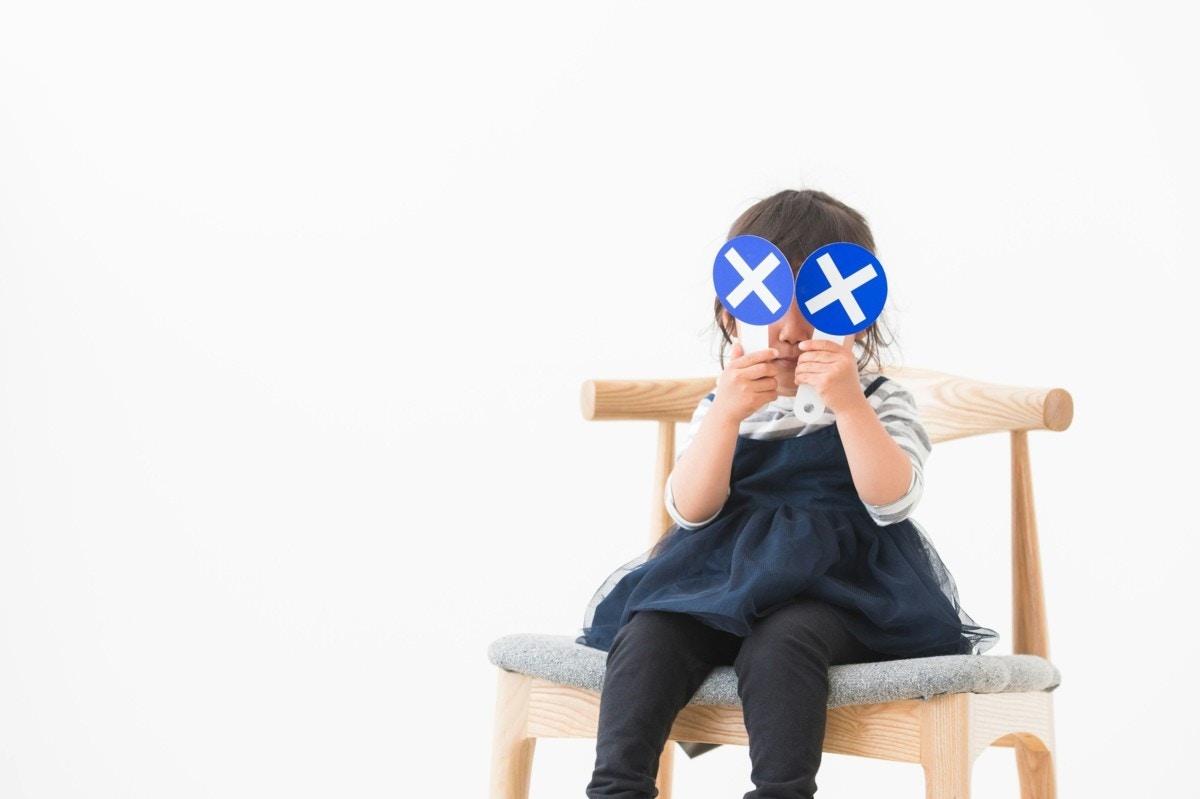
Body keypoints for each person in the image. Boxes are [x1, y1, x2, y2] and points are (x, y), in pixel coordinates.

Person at [577, 188, 996, 799]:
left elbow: (891, 500)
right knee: (650, 632)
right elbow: (691, 510)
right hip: (721, 578)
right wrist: (725, 417)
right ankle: (617, 789)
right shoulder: (722, 406)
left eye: (818, 308)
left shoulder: (879, 399)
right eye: (771, 305)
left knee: (783, 641)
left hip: (843, 588)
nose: (794, 330)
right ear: (731, 315)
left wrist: (849, 406)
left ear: (860, 319)